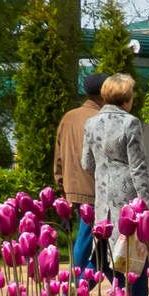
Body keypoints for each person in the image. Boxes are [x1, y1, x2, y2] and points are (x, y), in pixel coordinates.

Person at [80, 73, 149, 296]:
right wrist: (148, 206)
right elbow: (138, 168)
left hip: (103, 202)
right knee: (133, 257)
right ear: (126, 98)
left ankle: (78, 290)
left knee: (102, 253)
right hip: (128, 204)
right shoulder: (129, 123)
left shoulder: (90, 124)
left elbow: (86, 163)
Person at [55, 74, 103, 269]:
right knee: (86, 243)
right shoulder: (100, 118)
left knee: (92, 243)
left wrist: (61, 187)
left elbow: (58, 157)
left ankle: (80, 285)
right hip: (94, 189)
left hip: (71, 187)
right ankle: (74, 289)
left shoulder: (68, 117)